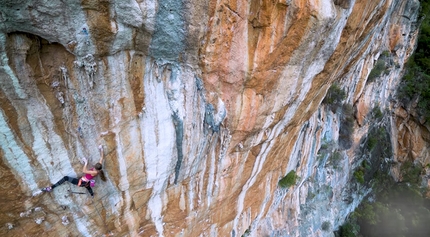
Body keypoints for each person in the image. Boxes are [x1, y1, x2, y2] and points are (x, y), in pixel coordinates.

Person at [42, 146, 106, 197]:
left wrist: (86, 162)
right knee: (88, 186)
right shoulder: (99, 167)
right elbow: (101, 158)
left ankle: (50, 188)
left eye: (94, 167)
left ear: (96, 169)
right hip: (85, 182)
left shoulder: (94, 172)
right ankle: (92, 194)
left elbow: (84, 171)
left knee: (66, 178)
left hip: (81, 182)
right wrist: (101, 149)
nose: (93, 167)